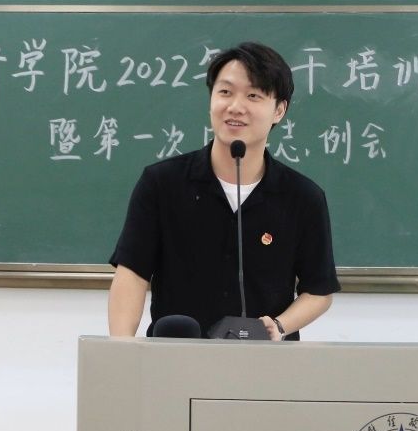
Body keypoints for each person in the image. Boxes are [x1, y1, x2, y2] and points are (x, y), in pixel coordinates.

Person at [107, 41, 339, 340]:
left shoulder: (303, 197)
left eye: (253, 95)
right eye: (225, 92)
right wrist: (122, 350)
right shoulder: (162, 183)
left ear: (279, 110)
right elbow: (132, 275)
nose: (235, 107)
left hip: (266, 360)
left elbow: (318, 290)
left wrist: (279, 326)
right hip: (176, 356)